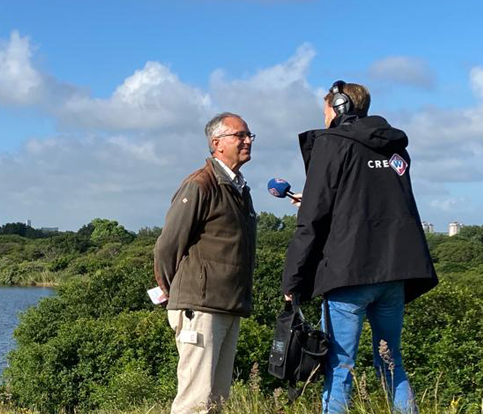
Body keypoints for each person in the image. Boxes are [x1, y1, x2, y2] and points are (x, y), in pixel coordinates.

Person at [281, 81, 438, 414]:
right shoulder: (394, 147)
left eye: (326, 108)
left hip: (348, 274)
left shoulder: (332, 144)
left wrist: (292, 282)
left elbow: (311, 221)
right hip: (395, 271)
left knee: (339, 366)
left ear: (339, 107)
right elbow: (372, 202)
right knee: (391, 360)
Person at [153, 112, 257, 414]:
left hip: (228, 305)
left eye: (249, 135)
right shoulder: (201, 184)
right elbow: (167, 246)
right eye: (240, 135)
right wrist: (176, 293)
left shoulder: (238, 188)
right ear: (217, 143)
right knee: (195, 402)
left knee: (216, 401)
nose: (248, 140)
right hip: (199, 308)